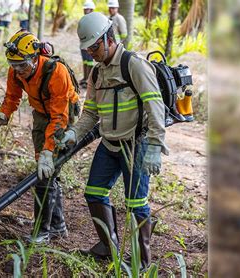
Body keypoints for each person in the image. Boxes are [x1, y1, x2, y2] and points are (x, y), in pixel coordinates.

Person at [58, 12, 167, 271]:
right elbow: (90, 114)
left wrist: (154, 145)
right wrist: (74, 133)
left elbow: (155, 105)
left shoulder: (134, 65)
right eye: (88, 49)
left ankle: (141, 260)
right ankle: (108, 246)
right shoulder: (96, 74)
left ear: (108, 38)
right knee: (94, 193)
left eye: (94, 47)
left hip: (136, 143)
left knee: (135, 203)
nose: (91, 53)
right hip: (109, 144)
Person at [0, 30, 79, 243]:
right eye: (14, 65)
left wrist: (49, 150)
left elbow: (59, 117)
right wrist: (4, 114)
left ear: (35, 58)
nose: (18, 70)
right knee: (47, 171)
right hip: (41, 113)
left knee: (46, 170)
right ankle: (57, 226)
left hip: (63, 115)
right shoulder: (16, 69)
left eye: (22, 66)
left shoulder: (56, 72)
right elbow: (12, 95)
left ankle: (42, 232)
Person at [79, 1, 95, 89]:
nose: (85, 11)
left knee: (90, 63)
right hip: (83, 45)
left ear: (91, 10)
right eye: (85, 9)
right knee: (85, 62)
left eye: (87, 9)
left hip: (90, 45)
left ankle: (89, 80)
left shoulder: (93, 20)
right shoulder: (83, 19)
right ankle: (85, 78)